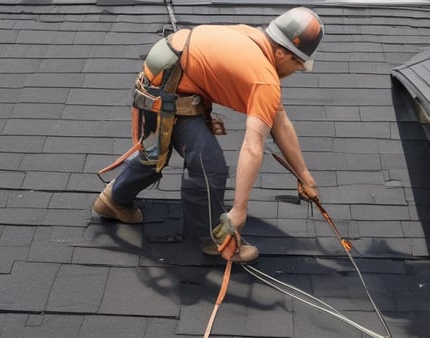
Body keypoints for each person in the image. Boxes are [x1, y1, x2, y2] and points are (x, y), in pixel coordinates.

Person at [92, 7, 324, 263]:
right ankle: (216, 240)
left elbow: (280, 122)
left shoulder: (253, 37)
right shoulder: (265, 79)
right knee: (209, 167)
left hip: (163, 79)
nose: (297, 70)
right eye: (298, 63)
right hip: (168, 92)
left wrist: (305, 176)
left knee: (157, 153)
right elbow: (253, 146)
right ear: (281, 52)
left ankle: (114, 200)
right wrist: (239, 209)